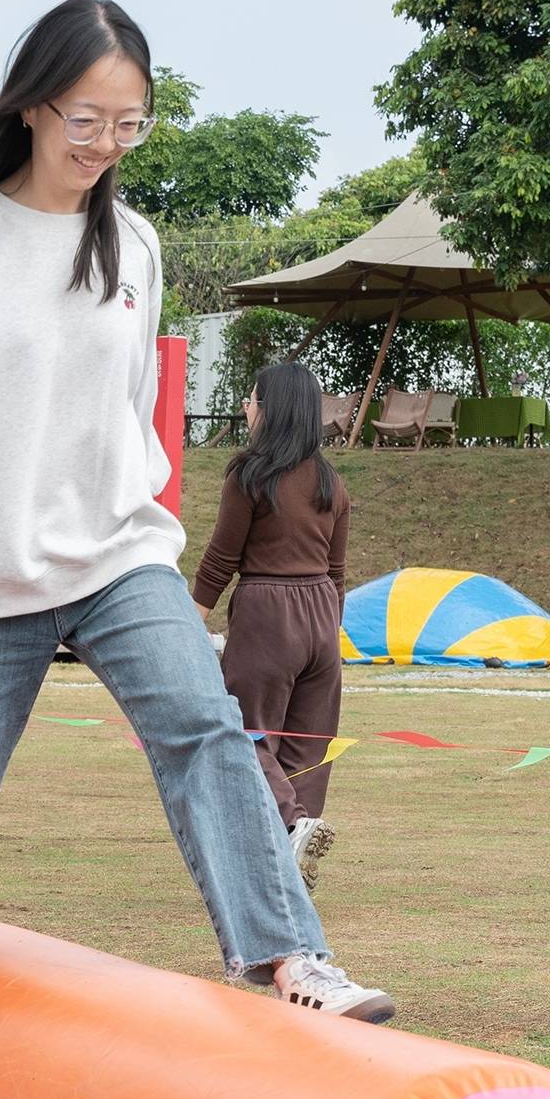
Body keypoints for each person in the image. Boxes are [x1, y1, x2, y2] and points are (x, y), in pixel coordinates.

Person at [0, 0, 393, 1099]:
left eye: (129, 127)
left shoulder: (132, 243)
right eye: (89, 120)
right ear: (35, 106)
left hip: (116, 553)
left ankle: (286, 954)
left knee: (205, 732)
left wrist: (136, 506)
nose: (105, 147)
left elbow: (130, 404)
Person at [195, 362, 352, 890]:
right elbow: (337, 571)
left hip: (267, 610)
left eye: (253, 398)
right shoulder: (332, 483)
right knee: (307, 740)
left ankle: (291, 823)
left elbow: (221, 559)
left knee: (245, 730)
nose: (246, 405)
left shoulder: (250, 475)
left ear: (273, 409)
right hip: (322, 617)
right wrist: (328, 630)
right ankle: (294, 849)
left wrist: (191, 621)